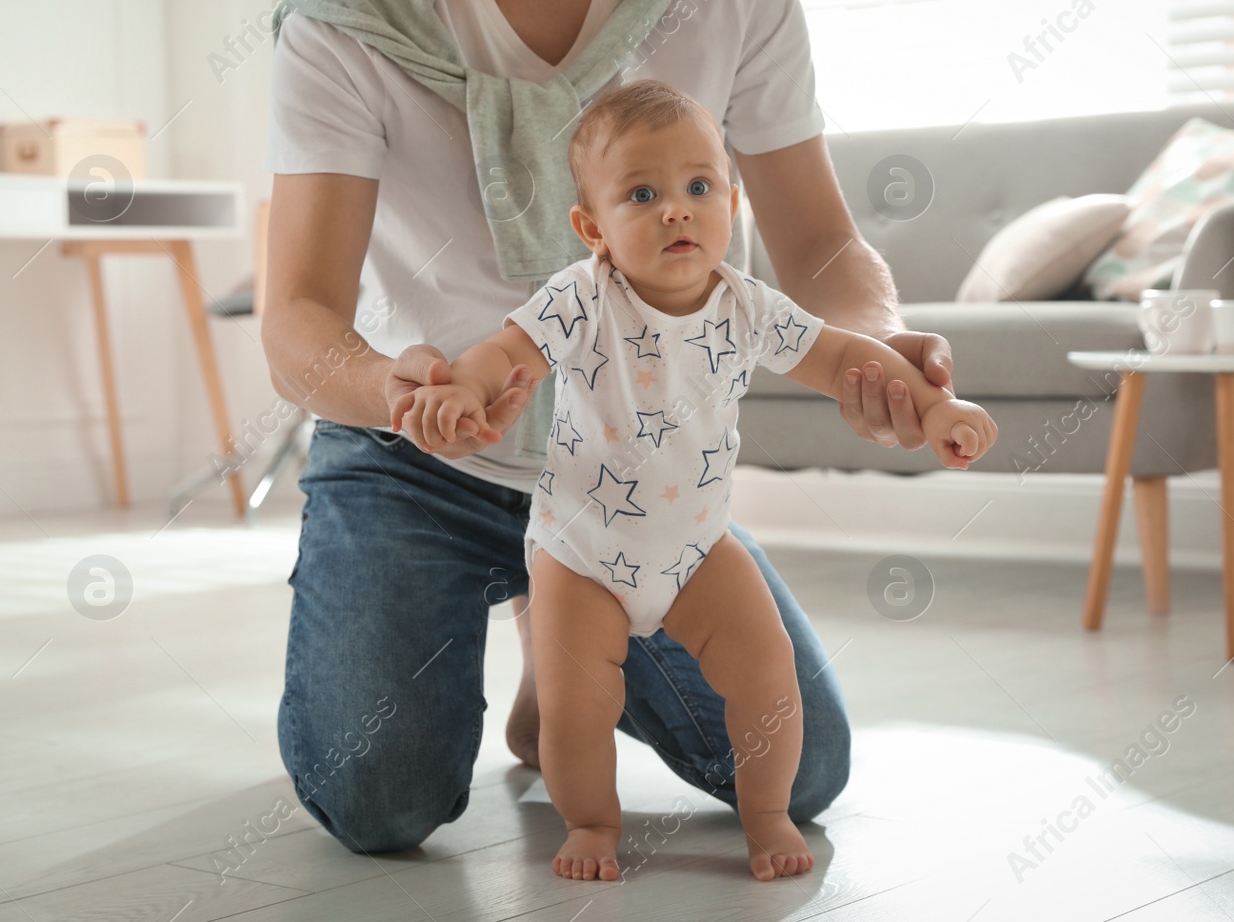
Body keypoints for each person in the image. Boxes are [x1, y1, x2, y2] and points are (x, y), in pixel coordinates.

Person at [260, 0, 959, 855]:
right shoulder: (344, 16)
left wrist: (879, 341)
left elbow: (822, 247)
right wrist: (399, 388)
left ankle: (566, 651)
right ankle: (552, 614)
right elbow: (297, 317)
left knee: (800, 771)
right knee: (381, 798)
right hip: (417, 455)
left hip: (639, 475)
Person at [390, 79, 995, 880]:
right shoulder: (583, 296)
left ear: (732, 204)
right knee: (581, 706)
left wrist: (932, 404)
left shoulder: (747, 306)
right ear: (592, 227)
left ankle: (768, 812)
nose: (676, 209)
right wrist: (462, 389)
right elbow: (504, 353)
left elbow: (847, 356)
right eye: (642, 194)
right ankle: (594, 821)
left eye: (698, 187)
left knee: (767, 666)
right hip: (582, 553)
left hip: (697, 547)